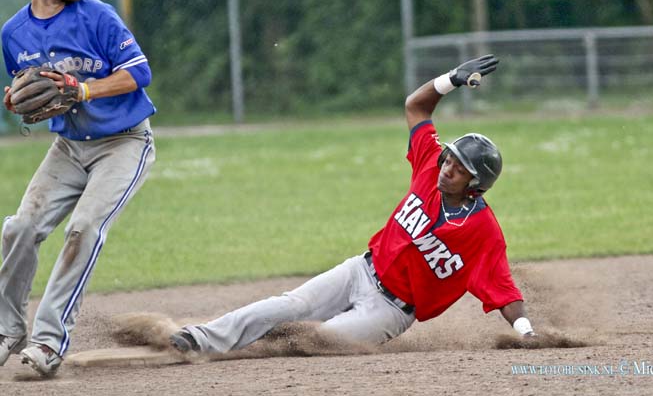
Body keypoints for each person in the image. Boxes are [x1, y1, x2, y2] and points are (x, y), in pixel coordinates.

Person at [169, 54, 535, 355]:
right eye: (449, 159)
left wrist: (528, 333)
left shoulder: (482, 232)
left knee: (319, 340)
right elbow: (416, 107)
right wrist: (450, 80)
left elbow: (504, 292)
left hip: (391, 311)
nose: (447, 169)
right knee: (290, 305)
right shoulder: (430, 164)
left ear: (476, 185)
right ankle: (199, 337)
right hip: (360, 270)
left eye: (459, 169)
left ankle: (254, 345)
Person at [0, 0, 156, 377]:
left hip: (123, 143)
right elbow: (33, 89)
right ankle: (9, 329)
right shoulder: (14, 32)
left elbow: (138, 73)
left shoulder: (98, 17)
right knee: (19, 228)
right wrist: (17, 100)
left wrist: (83, 88)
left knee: (83, 229)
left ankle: (49, 341)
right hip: (68, 147)